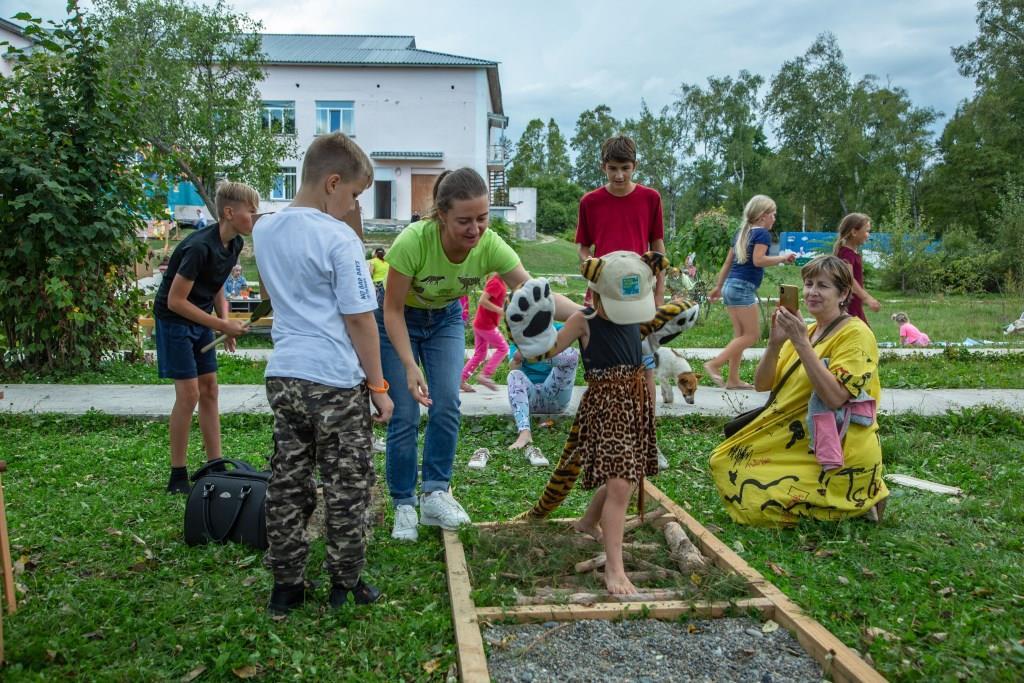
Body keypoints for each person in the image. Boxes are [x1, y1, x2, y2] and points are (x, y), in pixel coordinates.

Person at [379, 167, 580, 541]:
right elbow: (391, 310)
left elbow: (536, 293)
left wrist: (589, 315)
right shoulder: (412, 242)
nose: (475, 230)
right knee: (405, 411)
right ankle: (404, 503)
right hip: (398, 318)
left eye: (483, 219)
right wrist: (408, 365)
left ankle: (435, 493)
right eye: (464, 221)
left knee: (446, 403)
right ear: (441, 215)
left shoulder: (490, 245)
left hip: (445, 319)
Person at [253, 132, 394, 614]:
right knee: (347, 484)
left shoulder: (264, 229)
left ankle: (286, 587)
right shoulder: (339, 238)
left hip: (284, 376)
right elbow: (359, 319)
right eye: (353, 194)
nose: (354, 205)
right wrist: (378, 386)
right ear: (332, 182)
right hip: (333, 380)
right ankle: (345, 583)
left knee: (288, 482)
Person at [520, 251, 663, 595]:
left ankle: (587, 522)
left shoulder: (635, 315)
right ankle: (615, 569)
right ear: (594, 294)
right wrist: (526, 328)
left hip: (633, 406)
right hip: (605, 408)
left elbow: (645, 365)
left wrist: (650, 405)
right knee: (619, 485)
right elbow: (544, 351)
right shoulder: (583, 322)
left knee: (624, 480)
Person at [709, 255, 888, 526]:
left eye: (823, 286)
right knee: (724, 461)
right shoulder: (808, 330)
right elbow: (763, 384)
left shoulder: (856, 334)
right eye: (808, 284)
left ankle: (853, 506)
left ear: (844, 294)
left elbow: (836, 397)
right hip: (796, 438)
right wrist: (774, 345)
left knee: (751, 496)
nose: (812, 292)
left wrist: (801, 343)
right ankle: (845, 506)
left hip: (836, 446)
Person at [152, 182, 257, 493]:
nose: (255, 217)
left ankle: (216, 465)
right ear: (229, 212)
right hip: (175, 320)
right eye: (251, 211)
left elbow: (216, 285)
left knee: (210, 390)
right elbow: (175, 301)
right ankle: (178, 474)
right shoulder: (199, 247)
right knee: (189, 396)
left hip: (200, 317)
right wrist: (221, 326)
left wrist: (223, 322)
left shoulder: (234, 244)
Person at [575, 135, 667, 466]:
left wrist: (658, 295)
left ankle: (647, 439)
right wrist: (589, 268)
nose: (618, 176)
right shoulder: (590, 202)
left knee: (645, 368)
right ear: (603, 167)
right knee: (604, 371)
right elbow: (583, 247)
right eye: (612, 169)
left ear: (635, 166)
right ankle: (605, 436)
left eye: (625, 169)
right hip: (603, 297)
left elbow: (657, 245)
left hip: (639, 297)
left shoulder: (650, 198)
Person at [705, 195, 796, 390]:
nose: (774, 218)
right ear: (763, 216)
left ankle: (733, 379)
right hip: (743, 288)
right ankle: (714, 364)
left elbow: (728, 262)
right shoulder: (762, 234)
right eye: (773, 214)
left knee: (740, 335)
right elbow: (759, 260)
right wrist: (782, 257)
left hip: (731, 286)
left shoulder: (741, 232)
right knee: (752, 335)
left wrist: (718, 287)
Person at [501, 329, 579, 467]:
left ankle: (539, 355)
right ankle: (524, 433)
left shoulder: (558, 329)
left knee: (572, 353)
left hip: (555, 395)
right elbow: (513, 368)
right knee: (514, 375)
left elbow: (570, 355)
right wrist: (518, 359)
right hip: (530, 398)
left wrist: (540, 354)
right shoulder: (519, 337)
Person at [460, 273, 508, 392]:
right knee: (503, 348)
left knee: (480, 353)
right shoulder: (496, 282)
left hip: (481, 323)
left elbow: (496, 299)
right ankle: (485, 375)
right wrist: (500, 310)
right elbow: (482, 300)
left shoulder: (500, 281)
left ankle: (460, 379)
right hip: (486, 325)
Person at [834, 213, 880, 323]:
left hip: (855, 304)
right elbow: (849, 280)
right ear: (854, 232)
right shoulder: (846, 254)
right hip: (849, 305)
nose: (868, 235)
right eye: (867, 231)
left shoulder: (852, 253)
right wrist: (867, 298)